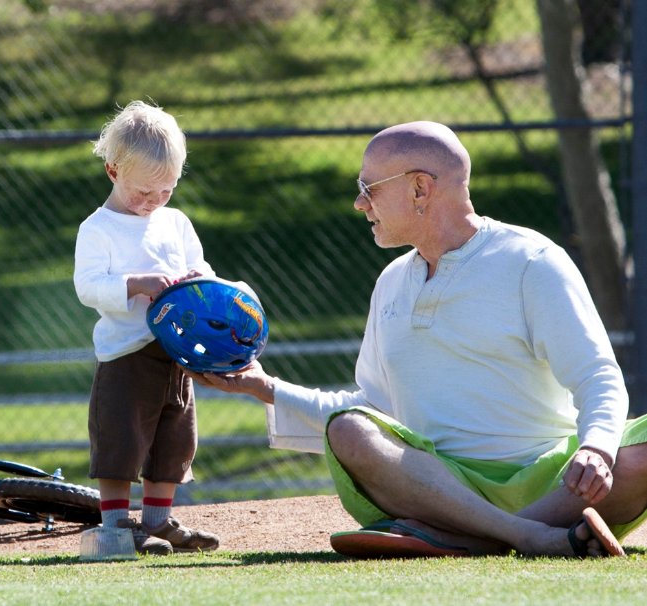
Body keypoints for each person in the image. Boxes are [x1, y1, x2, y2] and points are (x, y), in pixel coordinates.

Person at [188, 121, 647, 557]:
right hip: (439, 488)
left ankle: (476, 537)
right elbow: (373, 409)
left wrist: (596, 448)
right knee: (349, 428)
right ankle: (524, 535)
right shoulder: (391, 281)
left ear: (420, 188)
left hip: (555, 483)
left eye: (368, 188)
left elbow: (597, 375)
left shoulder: (533, 261)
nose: (359, 203)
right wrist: (263, 387)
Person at [74, 100, 219, 555]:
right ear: (113, 171)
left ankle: (157, 521)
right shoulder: (99, 229)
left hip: (176, 352)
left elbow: (201, 268)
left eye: (166, 190)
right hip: (127, 355)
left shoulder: (175, 223)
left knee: (174, 438)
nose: (154, 201)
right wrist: (135, 284)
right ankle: (117, 525)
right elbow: (88, 286)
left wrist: (199, 281)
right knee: (121, 438)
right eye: (144, 191)